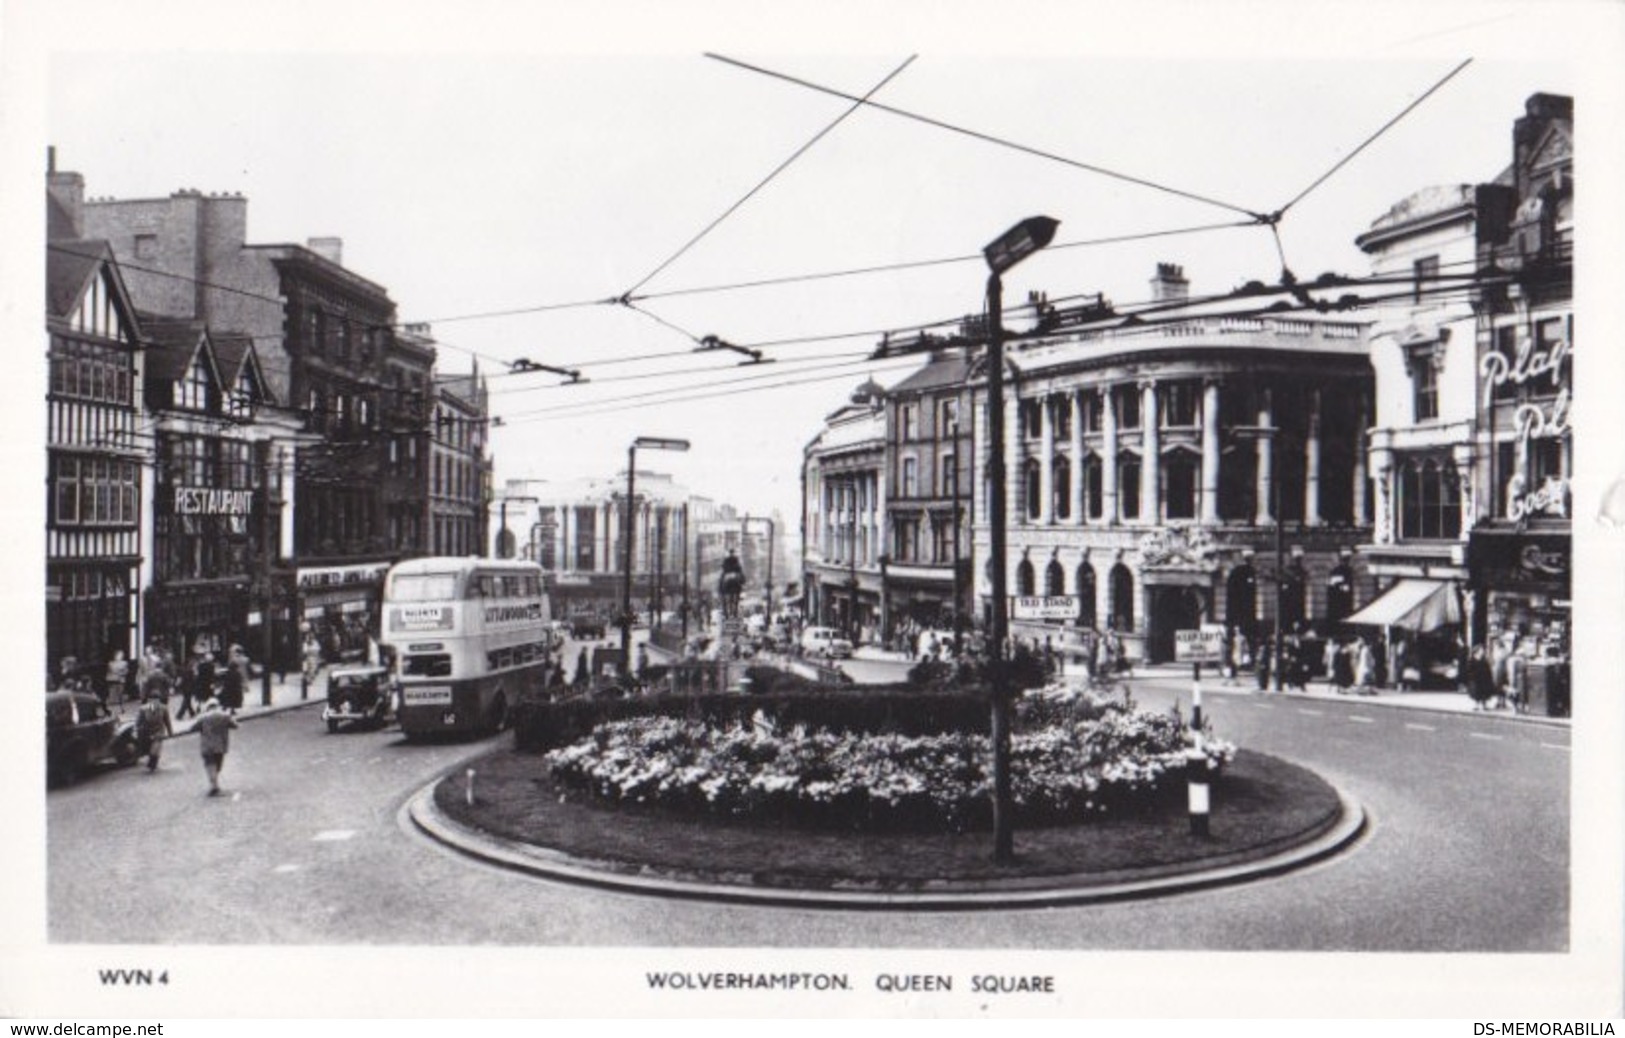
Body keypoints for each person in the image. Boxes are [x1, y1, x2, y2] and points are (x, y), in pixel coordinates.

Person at [192, 698, 240, 797]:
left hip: (207, 746)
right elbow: (235, 725)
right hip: (220, 746)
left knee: (210, 765)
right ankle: (214, 785)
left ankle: (214, 786)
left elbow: (192, 728)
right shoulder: (225, 716)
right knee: (218, 766)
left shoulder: (203, 717)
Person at [133, 686, 173, 772]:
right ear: (149, 700)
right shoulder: (143, 709)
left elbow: (167, 721)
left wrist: (170, 732)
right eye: (153, 699)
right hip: (147, 731)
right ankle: (152, 761)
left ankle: (152, 764)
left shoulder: (164, 708)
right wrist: (136, 730)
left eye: (157, 700)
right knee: (147, 749)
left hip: (159, 731)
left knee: (155, 748)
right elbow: (138, 722)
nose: (155, 702)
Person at [1465, 644, 1495, 711]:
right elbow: (1469, 670)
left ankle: (1484, 705)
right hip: (1476, 679)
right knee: (1476, 692)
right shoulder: (1471, 660)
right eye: (1481, 650)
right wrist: (1472, 677)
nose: (1483, 651)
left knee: (1484, 692)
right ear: (1477, 651)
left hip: (1484, 679)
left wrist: (1489, 678)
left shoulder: (1484, 660)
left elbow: (1488, 670)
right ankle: (1476, 705)